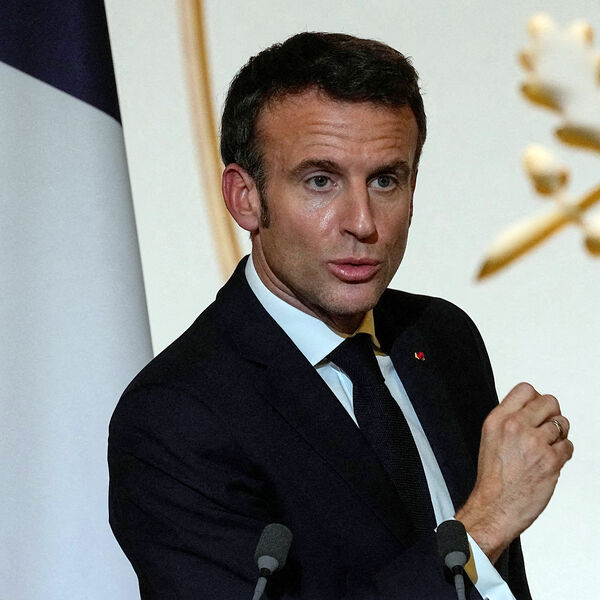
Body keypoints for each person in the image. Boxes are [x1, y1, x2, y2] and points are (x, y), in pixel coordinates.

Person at [108, 32, 573, 599]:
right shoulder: (174, 417)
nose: (362, 222)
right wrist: (486, 524)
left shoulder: (441, 337)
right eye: (320, 181)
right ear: (245, 198)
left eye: (385, 180)